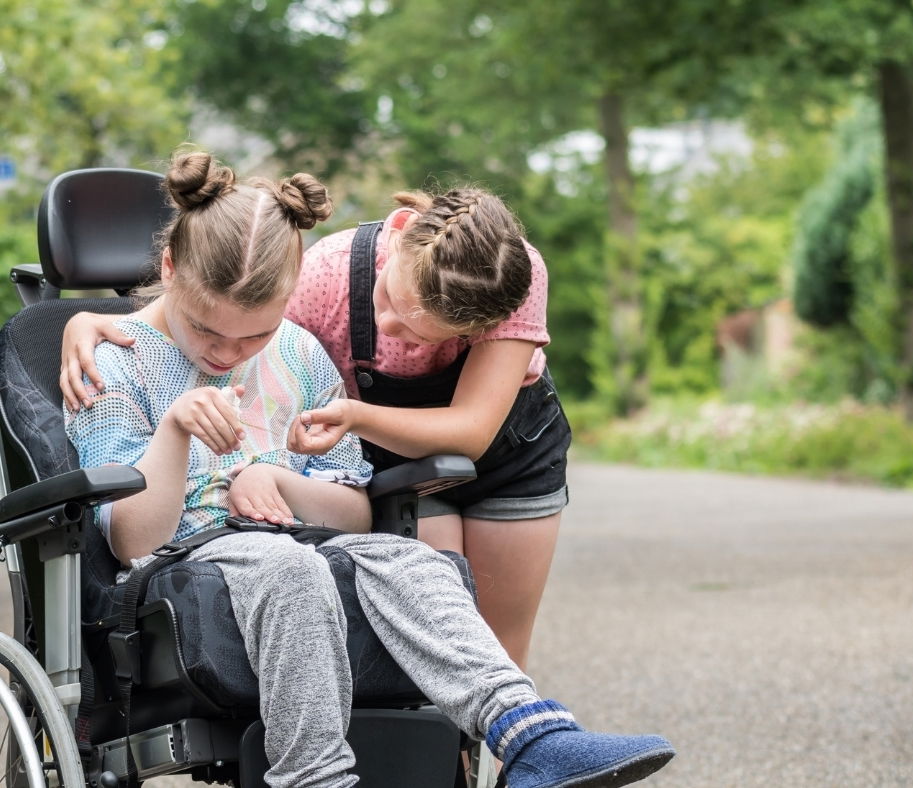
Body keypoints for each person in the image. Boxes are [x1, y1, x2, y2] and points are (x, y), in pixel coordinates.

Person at [64, 150, 674, 788]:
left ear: (288, 298)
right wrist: (174, 431)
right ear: (167, 268)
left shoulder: (298, 351)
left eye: (253, 337)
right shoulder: (115, 365)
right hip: (192, 556)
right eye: (206, 331)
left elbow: (354, 511)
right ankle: (314, 776)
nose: (227, 354)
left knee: (413, 562)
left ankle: (534, 737)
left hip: (306, 536)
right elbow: (130, 539)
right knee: (292, 569)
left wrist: (283, 483)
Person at [61, 179, 568, 670]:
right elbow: (223, 306)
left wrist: (347, 420)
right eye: (390, 303)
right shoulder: (325, 275)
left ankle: (527, 743)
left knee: (496, 644)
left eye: (424, 333)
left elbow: (470, 432)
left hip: (505, 450)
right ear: (400, 234)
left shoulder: (508, 273)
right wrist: (88, 321)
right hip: (388, 462)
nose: (394, 330)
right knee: (427, 642)